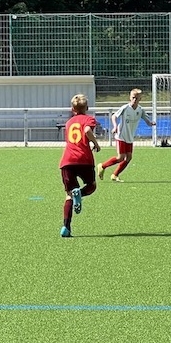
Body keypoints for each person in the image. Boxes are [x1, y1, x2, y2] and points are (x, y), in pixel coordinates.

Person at [60, 93, 101, 238]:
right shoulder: (89, 119)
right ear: (87, 108)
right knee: (91, 186)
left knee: (69, 195)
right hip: (84, 159)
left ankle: (66, 227)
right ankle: (80, 194)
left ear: (72, 109)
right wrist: (95, 143)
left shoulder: (69, 122)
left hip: (67, 161)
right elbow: (87, 130)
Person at [97, 88, 155, 182]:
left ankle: (115, 175)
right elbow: (114, 116)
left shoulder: (140, 110)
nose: (134, 100)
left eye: (137, 98)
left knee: (129, 157)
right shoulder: (125, 108)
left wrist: (151, 123)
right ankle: (102, 166)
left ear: (140, 99)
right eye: (133, 97)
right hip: (121, 136)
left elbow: (147, 121)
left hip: (130, 137)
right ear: (130, 97)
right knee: (120, 157)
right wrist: (115, 126)